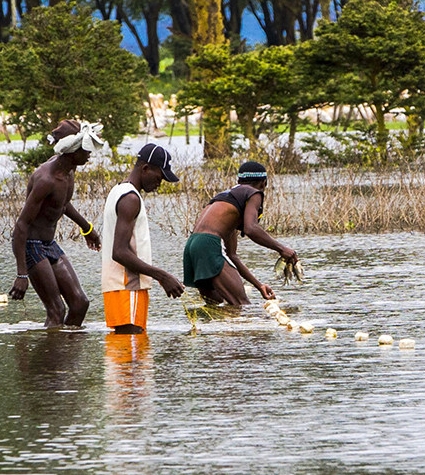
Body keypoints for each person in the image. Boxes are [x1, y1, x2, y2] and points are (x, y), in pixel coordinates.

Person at [9, 120, 104, 328]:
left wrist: (87, 228)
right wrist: (21, 274)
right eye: (85, 149)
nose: (89, 154)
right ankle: (49, 359)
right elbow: (21, 226)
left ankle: (64, 356)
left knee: (80, 304)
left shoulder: (70, 170)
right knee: (56, 310)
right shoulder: (46, 179)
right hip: (31, 245)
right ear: (71, 151)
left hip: (49, 244)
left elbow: (61, 203)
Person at [183, 161, 297, 305]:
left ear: (239, 181)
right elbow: (251, 228)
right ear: (263, 183)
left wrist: (259, 285)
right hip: (208, 244)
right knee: (242, 305)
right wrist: (282, 249)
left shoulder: (227, 201)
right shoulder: (254, 193)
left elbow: (232, 256)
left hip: (192, 246)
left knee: (217, 304)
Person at [101, 143, 185, 334]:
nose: (159, 184)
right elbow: (119, 252)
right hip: (127, 288)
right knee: (132, 352)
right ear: (145, 168)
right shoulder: (130, 199)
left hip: (119, 288)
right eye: (158, 177)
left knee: (126, 354)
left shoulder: (119, 190)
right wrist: (162, 276)